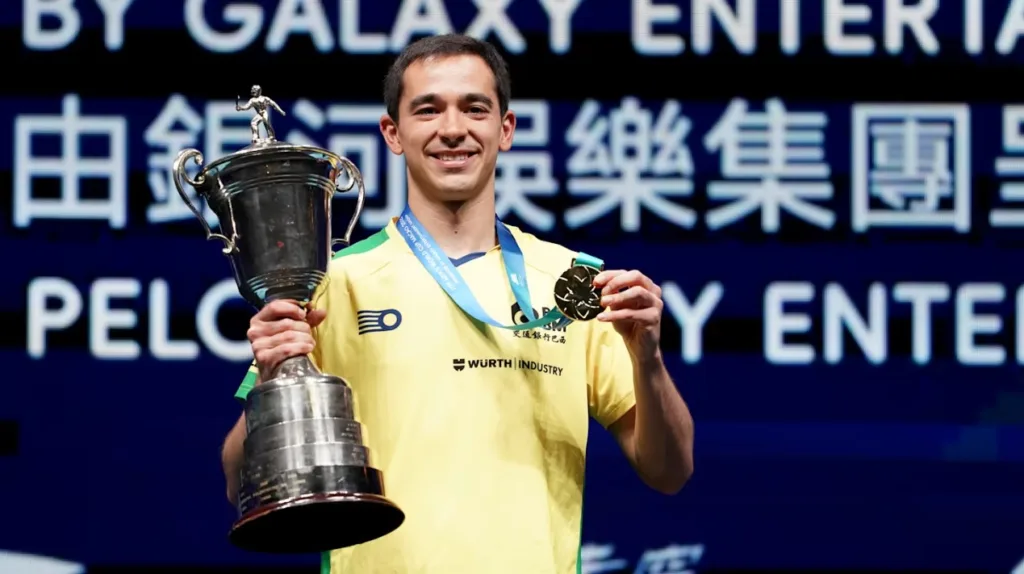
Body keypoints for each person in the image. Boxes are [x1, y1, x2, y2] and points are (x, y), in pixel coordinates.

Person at [220, 33, 695, 574]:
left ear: (505, 129)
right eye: (428, 110)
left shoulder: (572, 281)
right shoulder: (334, 282)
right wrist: (271, 372)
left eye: (475, 108)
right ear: (392, 134)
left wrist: (649, 361)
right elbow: (239, 479)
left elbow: (670, 471)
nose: (452, 129)